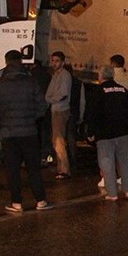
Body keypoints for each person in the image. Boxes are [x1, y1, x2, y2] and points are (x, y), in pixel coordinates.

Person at [0, 50, 54, 212]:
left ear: (6, 62)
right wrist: (32, 119)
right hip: (29, 132)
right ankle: (40, 200)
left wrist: (1, 122)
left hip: (8, 133)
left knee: (12, 169)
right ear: (20, 61)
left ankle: (16, 202)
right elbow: (42, 105)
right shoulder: (31, 81)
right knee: (33, 168)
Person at [86, 54, 128, 200]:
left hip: (105, 134)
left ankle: (112, 193)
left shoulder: (98, 92)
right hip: (122, 133)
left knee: (107, 162)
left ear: (101, 76)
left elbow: (92, 114)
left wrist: (91, 132)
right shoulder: (123, 90)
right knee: (124, 162)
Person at [45, 51, 73, 180]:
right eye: (53, 60)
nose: (54, 63)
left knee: (59, 140)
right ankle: (61, 167)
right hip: (55, 109)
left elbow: (62, 94)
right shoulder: (56, 75)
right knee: (57, 139)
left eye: (57, 61)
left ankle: (64, 169)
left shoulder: (65, 76)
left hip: (60, 110)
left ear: (62, 62)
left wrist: (50, 99)